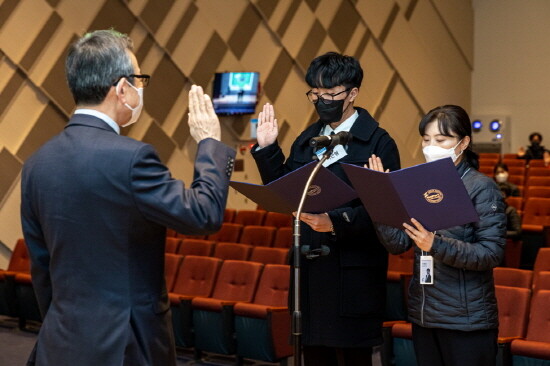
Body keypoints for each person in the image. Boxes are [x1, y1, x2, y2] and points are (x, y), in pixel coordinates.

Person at [20, 30, 236, 366]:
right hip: (128, 345)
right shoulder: (133, 158)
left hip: (61, 340)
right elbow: (203, 215)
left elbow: (42, 267)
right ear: (122, 89)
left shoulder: (36, 163)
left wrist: (64, 323)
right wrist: (209, 143)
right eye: (139, 80)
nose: (140, 89)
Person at [251, 52, 400, 366]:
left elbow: (386, 213)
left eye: (330, 94)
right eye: (315, 94)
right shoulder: (307, 139)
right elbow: (286, 190)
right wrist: (267, 148)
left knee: (352, 359)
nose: (321, 101)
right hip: (311, 274)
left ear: (352, 93)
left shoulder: (378, 143)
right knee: (314, 357)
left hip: (352, 277)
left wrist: (335, 222)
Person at [370, 105, 506, 366]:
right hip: (425, 315)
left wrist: (435, 244)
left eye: (441, 140)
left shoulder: (481, 187)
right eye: (426, 139)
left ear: (463, 142)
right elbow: (397, 244)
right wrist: (381, 200)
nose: (431, 146)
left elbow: (491, 253)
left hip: (466, 321)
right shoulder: (419, 182)